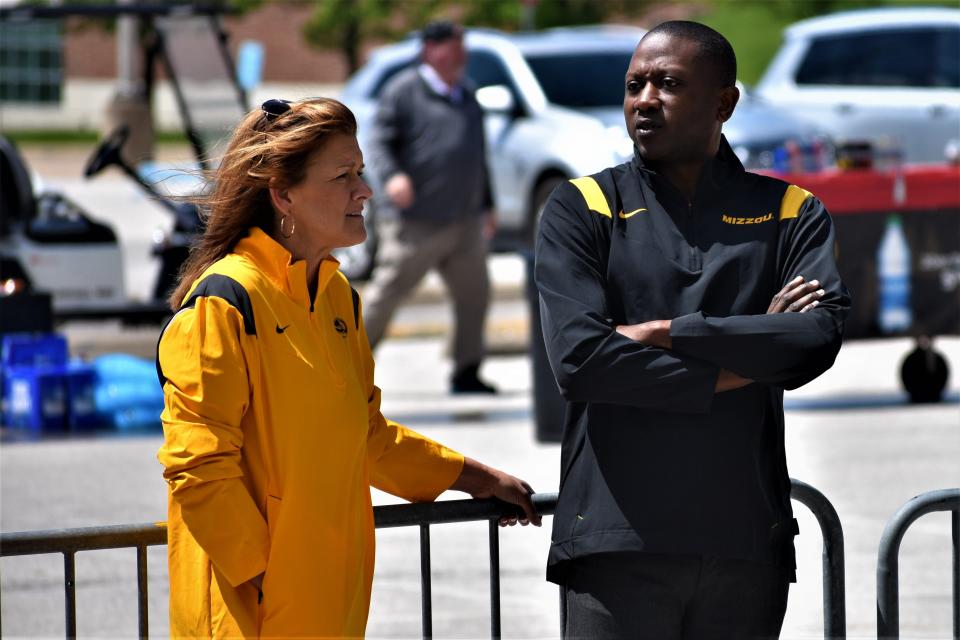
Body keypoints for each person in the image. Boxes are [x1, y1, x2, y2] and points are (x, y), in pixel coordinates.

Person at [156, 97, 540, 639]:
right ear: (283, 193)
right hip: (249, 616)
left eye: (360, 172)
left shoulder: (337, 295)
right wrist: (269, 575)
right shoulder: (225, 301)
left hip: (329, 607)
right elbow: (197, 467)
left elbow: (368, 439)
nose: (365, 191)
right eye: (343, 176)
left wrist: (476, 479)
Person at [535, 21, 850, 639]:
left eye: (669, 83)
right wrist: (744, 362)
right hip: (616, 542)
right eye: (635, 84)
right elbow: (580, 361)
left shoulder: (790, 211)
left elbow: (814, 339)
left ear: (724, 103)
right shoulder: (582, 206)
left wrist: (668, 331)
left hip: (743, 543)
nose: (645, 99)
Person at [363, 19, 497, 394]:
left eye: (462, 48)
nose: (460, 56)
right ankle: (347, 364)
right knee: (385, 296)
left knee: (475, 296)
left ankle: (466, 371)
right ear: (430, 51)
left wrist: (488, 204)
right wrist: (392, 177)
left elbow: (478, 156)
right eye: (452, 48)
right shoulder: (403, 91)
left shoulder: (467, 95)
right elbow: (379, 142)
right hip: (416, 222)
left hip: (465, 220)